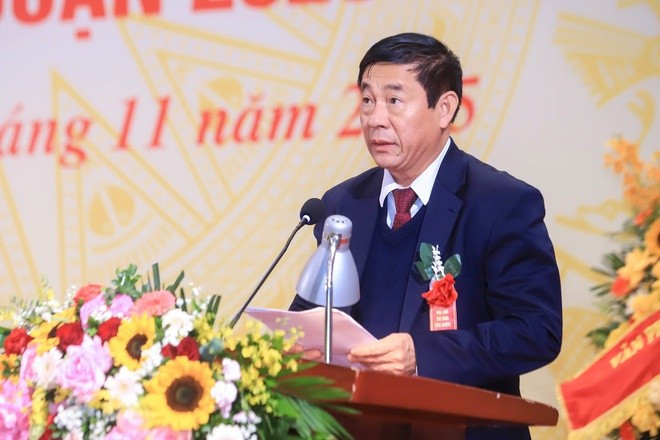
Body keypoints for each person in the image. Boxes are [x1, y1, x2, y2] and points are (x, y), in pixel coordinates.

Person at [290, 32, 562, 439]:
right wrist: (297, 343)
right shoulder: (343, 203)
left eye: (394, 100)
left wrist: (422, 356)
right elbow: (313, 311)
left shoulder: (500, 203)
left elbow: (535, 330)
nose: (375, 118)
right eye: (367, 100)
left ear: (444, 108)